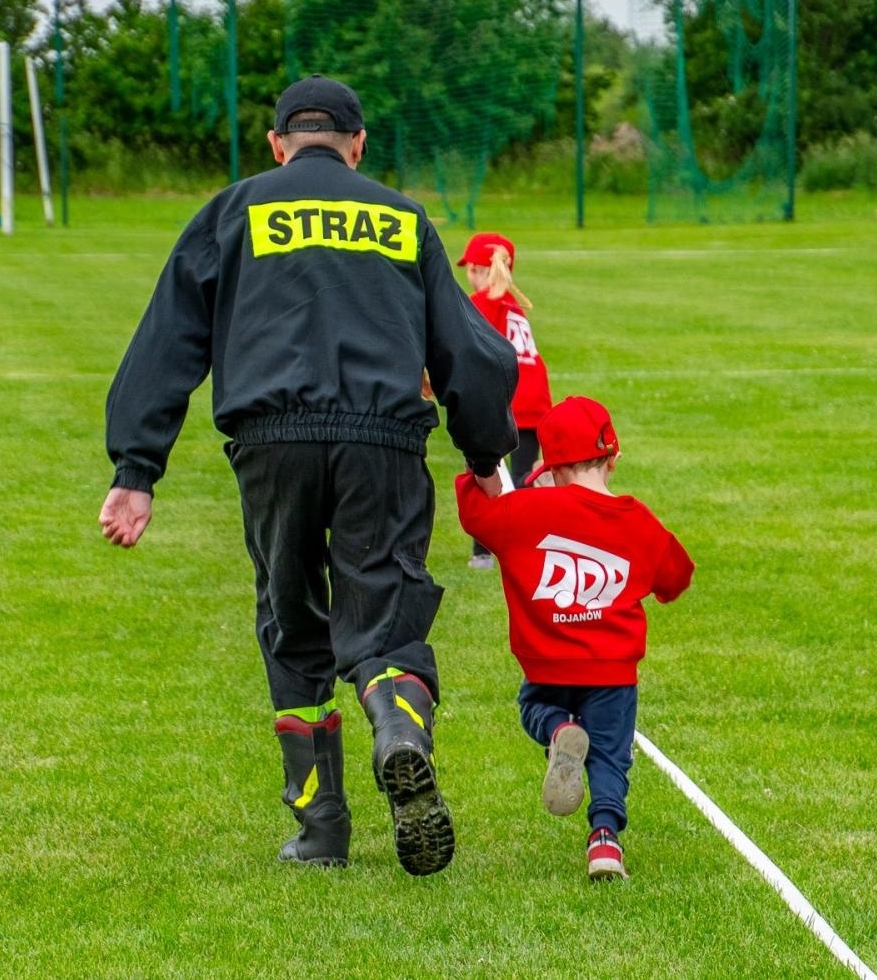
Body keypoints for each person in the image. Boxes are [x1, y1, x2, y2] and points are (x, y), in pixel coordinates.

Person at [100, 74, 517, 877]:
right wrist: (485, 453)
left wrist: (136, 467)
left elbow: (168, 336)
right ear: (359, 145)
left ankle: (321, 828)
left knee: (292, 619)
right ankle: (397, 721)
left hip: (271, 440)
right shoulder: (400, 217)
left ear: (277, 143)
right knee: (387, 612)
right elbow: (466, 351)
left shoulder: (235, 210)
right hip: (383, 439)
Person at [454, 395, 694, 881]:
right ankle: (604, 840)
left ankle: (559, 729)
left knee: (533, 709)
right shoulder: (636, 520)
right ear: (613, 458)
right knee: (610, 755)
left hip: (546, 667)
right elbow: (677, 577)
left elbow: (476, 513)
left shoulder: (524, 510)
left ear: (547, 466)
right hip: (611, 670)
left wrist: (489, 479)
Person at [456, 232, 553, 569]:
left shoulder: (479, 302)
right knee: (525, 474)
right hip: (535, 400)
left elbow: (470, 352)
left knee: (483, 472)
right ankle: (531, 541)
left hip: (505, 398)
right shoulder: (513, 308)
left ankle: (483, 552)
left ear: (473, 268)